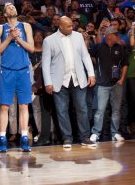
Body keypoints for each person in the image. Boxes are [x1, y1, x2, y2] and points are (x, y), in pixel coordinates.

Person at [41, 16, 96, 148]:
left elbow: (85, 56)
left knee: (82, 108)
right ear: (60, 26)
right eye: (69, 26)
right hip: (59, 80)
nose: (72, 28)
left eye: (72, 25)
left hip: (78, 78)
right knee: (61, 110)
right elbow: (46, 63)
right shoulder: (49, 40)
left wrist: (91, 74)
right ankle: (67, 138)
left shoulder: (78, 36)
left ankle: (85, 137)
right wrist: (48, 82)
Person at [0, 2, 34, 152]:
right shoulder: (0, 28)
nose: (12, 7)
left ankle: (24, 137)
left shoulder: (25, 26)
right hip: (7, 70)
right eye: (8, 8)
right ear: (5, 14)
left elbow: (31, 48)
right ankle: (3, 138)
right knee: (4, 106)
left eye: (13, 6)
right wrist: (9, 37)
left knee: (23, 105)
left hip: (23, 70)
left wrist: (18, 39)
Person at [88, 27, 128, 143]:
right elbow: (87, 55)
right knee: (100, 111)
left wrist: (122, 79)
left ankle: (115, 133)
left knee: (116, 110)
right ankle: (96, 133)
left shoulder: (120, 47)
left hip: (117, 84)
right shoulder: (99, 47)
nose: (118, 37)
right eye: (116, 35)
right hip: (102, 85)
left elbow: (125, 64)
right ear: (110, 35)